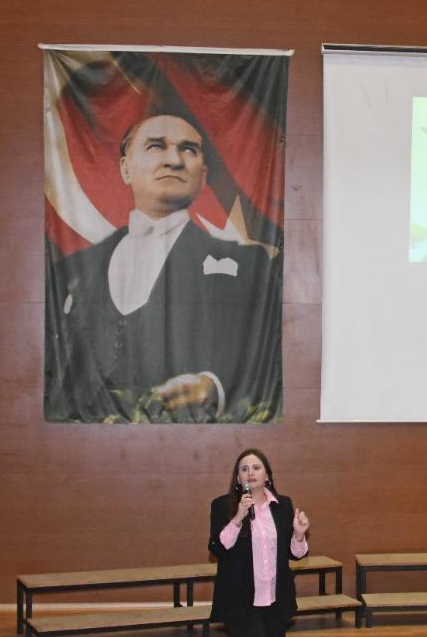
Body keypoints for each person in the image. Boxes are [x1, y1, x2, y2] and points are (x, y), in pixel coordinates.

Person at [45, 111, 283, 423]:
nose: (174, 160)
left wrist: (214, 387)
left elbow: (266, 360)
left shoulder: (249, 269)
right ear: (125, 168)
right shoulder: (72, 272)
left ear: (203, 175)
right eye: (156, 146)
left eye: (189, 150)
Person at [208, 449, 310, 637]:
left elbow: (295, 554)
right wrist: (238, 517)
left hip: (276, 600)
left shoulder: (283, 505)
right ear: (238, 478)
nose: (250, 473)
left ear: (267, 476)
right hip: (241, 601)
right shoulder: (222, 506)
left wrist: (299, 535)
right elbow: (218, 550)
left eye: (256, 467)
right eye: (244, 469)